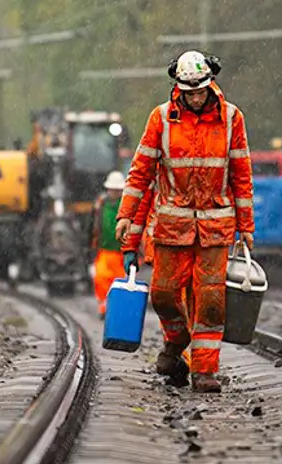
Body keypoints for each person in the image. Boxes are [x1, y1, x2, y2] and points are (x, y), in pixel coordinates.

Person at [116, 50, 253, 394]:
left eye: (200, 90)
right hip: (171, 229)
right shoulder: (161, 119)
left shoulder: (231, 119)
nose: (195, 97)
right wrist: (125, 216)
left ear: (210, 85)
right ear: (178, 87)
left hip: (215, 230)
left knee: (210, 301)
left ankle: (205, 371)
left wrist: (247, 227)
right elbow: (141, 173)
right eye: (188, 91)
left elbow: (241, 175)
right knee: (162, 295)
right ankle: (177, 341)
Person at [88, 171, 127, 316]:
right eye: (113, 189)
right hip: (103, 251)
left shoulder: (126, 205)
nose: (115, 192)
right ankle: (104, 309)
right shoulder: (100, 205)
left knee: (119, 283)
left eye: (118, 190)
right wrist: (89, 249)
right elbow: (92, 227)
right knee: (101, 279)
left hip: (120, 253)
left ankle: (116, 311)